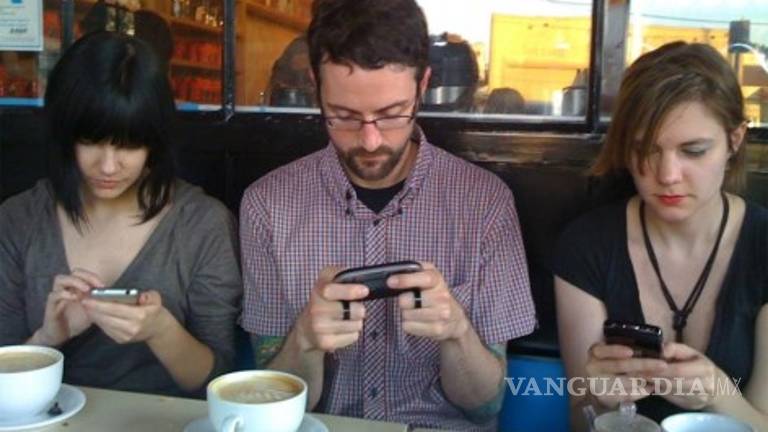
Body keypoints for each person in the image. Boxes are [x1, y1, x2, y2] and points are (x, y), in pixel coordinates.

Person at [239, 0, 536, 429]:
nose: (371, 141)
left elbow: (485, 406)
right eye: (344, 116)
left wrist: (456, 331)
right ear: (315, 87)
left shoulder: (485, 204)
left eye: (392, 115)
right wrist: (305, 339)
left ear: (423, 85)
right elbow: (274, 407)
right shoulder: (267, 206)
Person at [0, 31, 242, 397]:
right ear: (65, 135)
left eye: (129, 145)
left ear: (154, 140)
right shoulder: (19, 220)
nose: (108, 166)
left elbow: (220, 383)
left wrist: (161, 331)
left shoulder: (202, 225)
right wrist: (48, 338)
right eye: (90, 141)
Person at [554, 41, 768, 431]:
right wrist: (596, 399)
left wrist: (717, 394)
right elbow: (580, 420)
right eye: (645, 150)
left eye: (694, 151)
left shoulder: (762, 245)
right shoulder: (587, 245)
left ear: (735, 140)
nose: (667, 175)